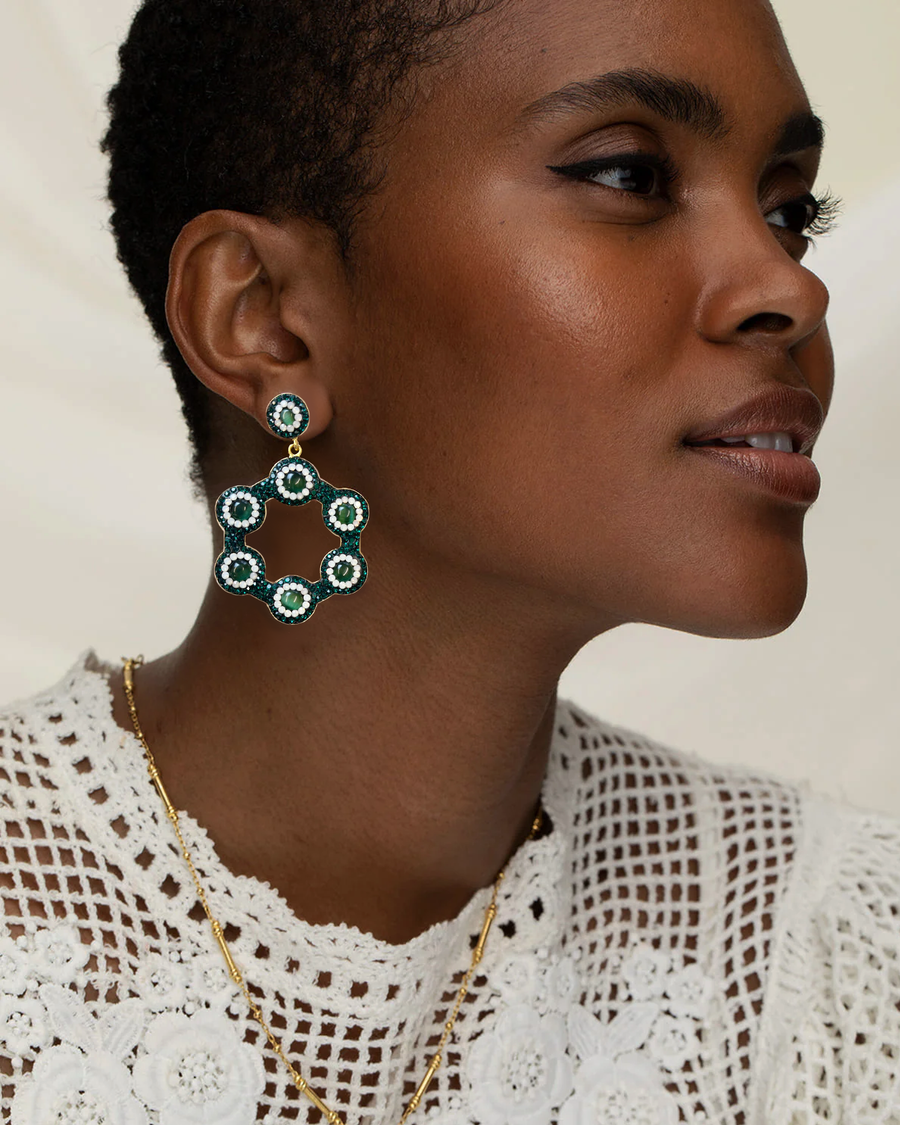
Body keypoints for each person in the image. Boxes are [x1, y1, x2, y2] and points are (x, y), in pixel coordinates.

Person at [1, 0, 896, 1121]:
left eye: (790, 209)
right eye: (630, 176)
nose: (791, 285)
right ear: (264, 319)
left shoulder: (835, 960)